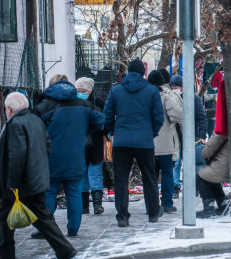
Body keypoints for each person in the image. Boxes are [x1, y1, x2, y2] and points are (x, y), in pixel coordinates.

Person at [0, 92, 77, 259]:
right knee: (41, 217)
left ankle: (6, 258)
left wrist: (12, 182)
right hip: (36, 179)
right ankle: (64, 250)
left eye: (6, 109)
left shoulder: (14, 124)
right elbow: (47, 146)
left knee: (6, 219)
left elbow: (17, 155)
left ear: (10, 109)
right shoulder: (36, 120)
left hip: (21, 183)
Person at [33, 76, 104, 238]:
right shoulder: (84, 105)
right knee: (74, 193)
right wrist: (85, 129)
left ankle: (46, 229)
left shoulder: (45, 106)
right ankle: (73, 229)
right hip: (76, 157)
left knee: (49, 193)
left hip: (51, 158)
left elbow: (34, 125)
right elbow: (100, 121)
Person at [104, 59, 164, 227]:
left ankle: (122, 216)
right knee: (149, 177)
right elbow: (159, 117)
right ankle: (153, 212)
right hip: (144, 142)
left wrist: (114, 132)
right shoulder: (151, 91)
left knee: (121, 179)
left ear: (127, 73)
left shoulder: (115, 91)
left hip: (121, 141)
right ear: (143, 73)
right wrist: (150, 133)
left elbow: (107, 116)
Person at [148, 70, 183, 213]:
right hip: (165, 142)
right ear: (162, 83)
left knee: (151, 175)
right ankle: (167, 203)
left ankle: (151, 205)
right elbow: (178, 115)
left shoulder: (143, 97)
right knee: (167, 173)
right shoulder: (166, 96)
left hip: (147, 143)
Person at [75, 77, 107, 215]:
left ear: (89, 91)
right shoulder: (76, 103)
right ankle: (84, 206)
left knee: (95, 173)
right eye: (78, 90)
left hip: (94, 143)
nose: (80, 93)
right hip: (81, 143)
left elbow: (105, 122)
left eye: (82, 91)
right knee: (82, 173)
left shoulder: (98, 102)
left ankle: (97, 204)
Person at [196, 133, 230, 218]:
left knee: (201, 176)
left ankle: (208, 208)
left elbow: (206, 153)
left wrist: (203, 146)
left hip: (225, 166)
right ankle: (223, 204)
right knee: (211, 177)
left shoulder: (221, 131)